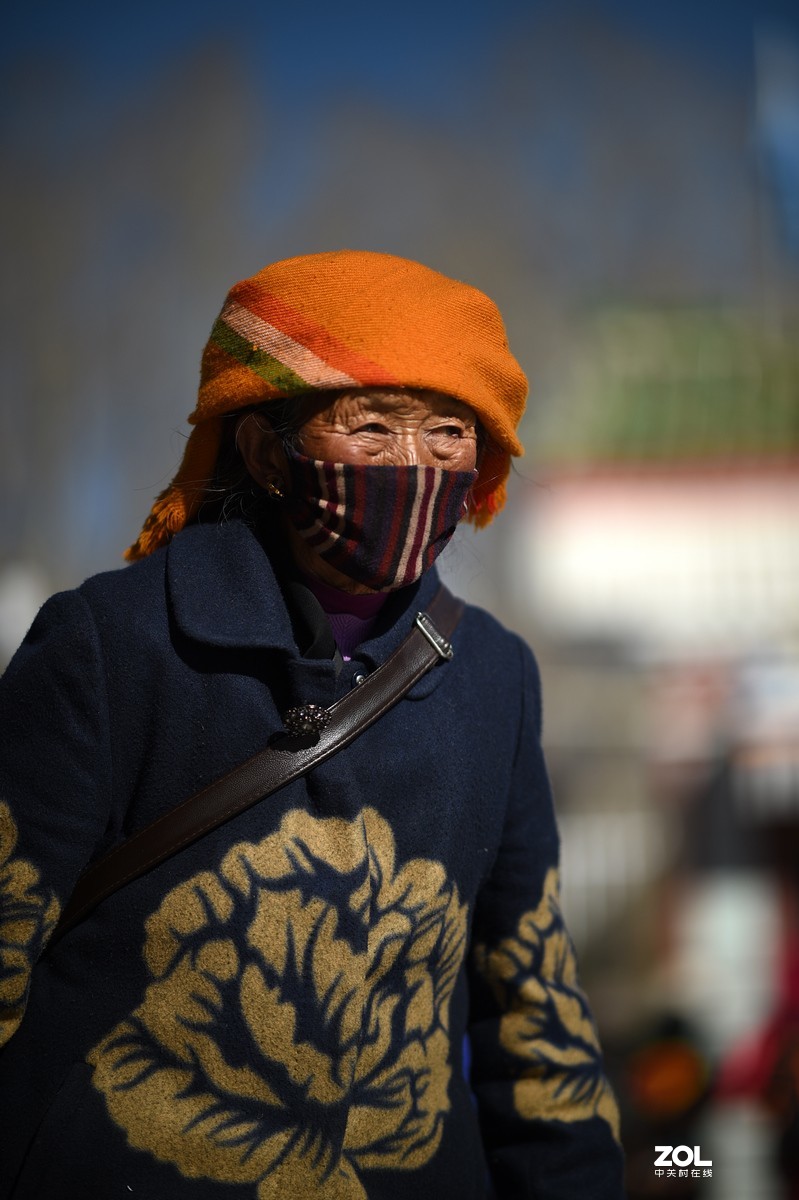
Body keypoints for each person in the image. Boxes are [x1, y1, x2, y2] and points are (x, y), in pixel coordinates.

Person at [0, 250, 624, 1198]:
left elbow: (530, 1006)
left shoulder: (496, 676)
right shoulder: (110, 644)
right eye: (369, 429)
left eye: (448, 434)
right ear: (262, 451)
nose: (412, 468)